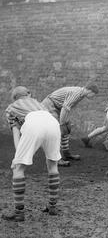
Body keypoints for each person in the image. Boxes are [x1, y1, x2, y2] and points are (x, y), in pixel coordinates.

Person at [2, 87, 62, 222]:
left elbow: (16, 133)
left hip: (34, 123)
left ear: (14, 98)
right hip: (53, 123)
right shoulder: (39, 103)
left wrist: (17, 159)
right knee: (53, 165)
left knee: (19, 169)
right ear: (29, 94)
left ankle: (19, 212)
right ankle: (52, 207)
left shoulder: (11, 108)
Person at [41, 83, 99, 167]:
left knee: (66, 130)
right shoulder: (77, 93)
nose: (93, 97)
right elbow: (65, 108)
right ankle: (56, 159)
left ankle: (66, 154)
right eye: (93, 95)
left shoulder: (81, 94)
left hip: (56, 107)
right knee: (57, 132)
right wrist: (62, 124)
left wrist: (66, 122)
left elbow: (67, 108)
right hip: (49, 106)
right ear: (90, 91)